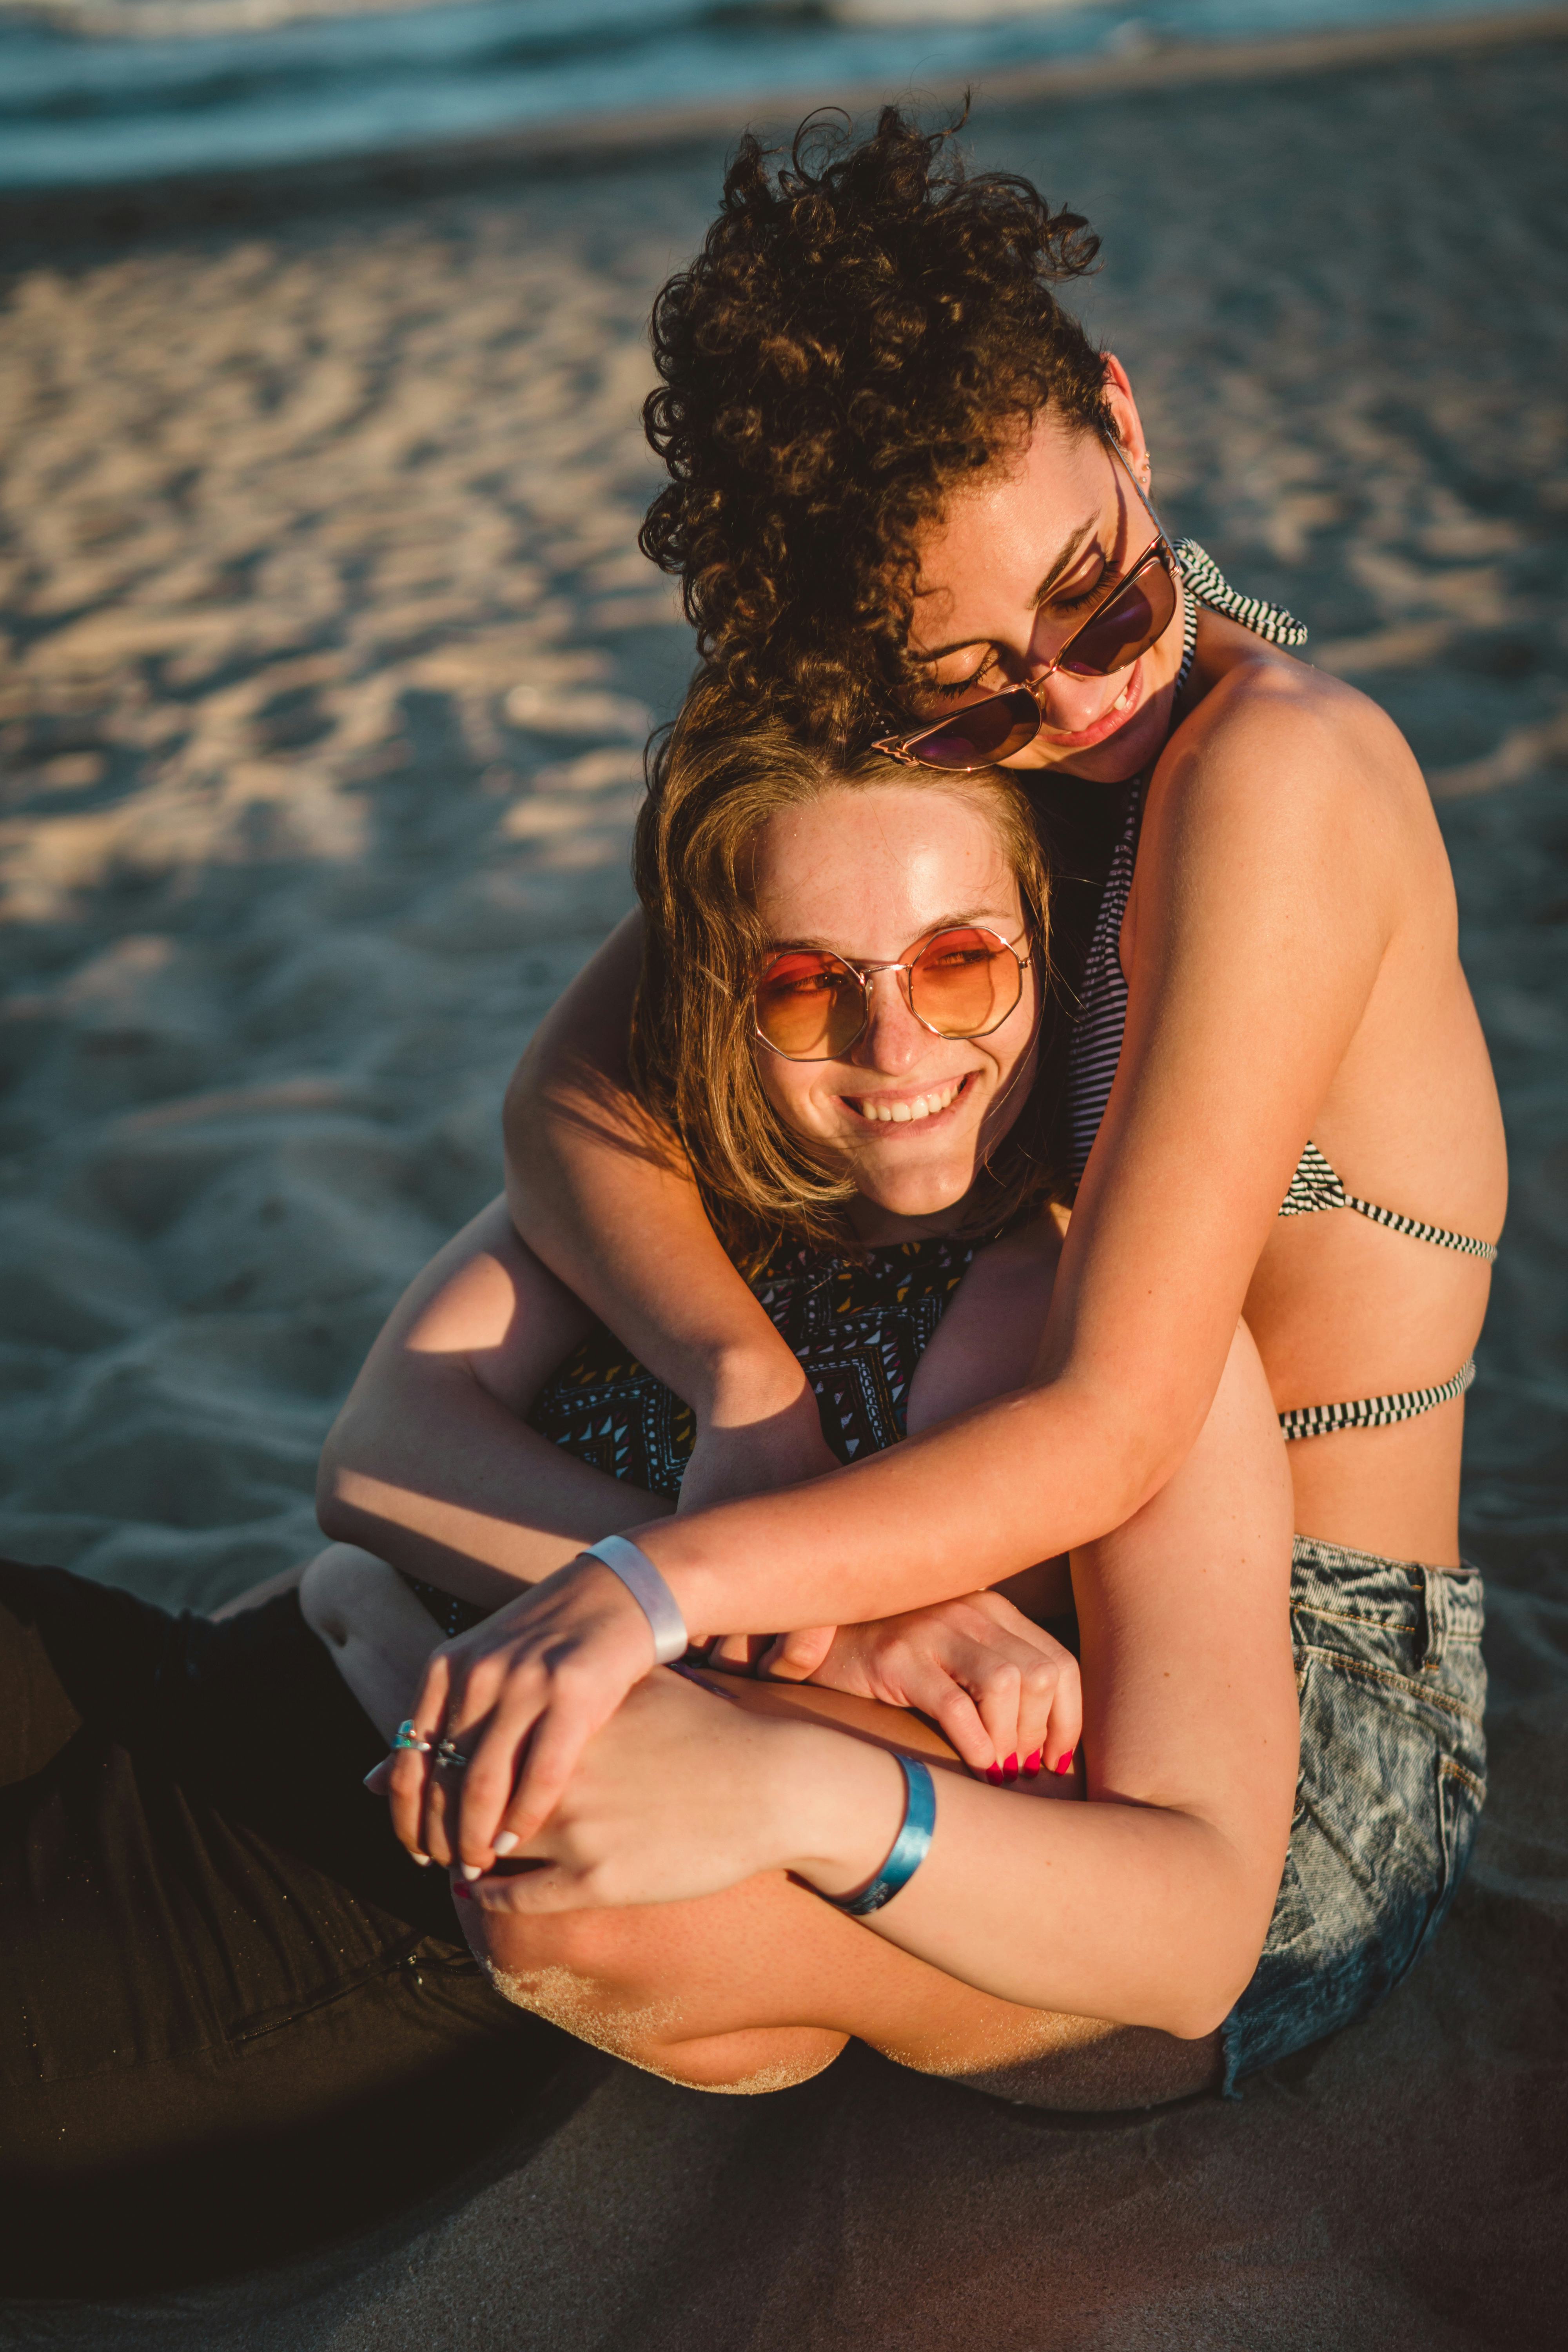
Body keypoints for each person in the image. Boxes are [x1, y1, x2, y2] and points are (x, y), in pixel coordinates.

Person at [374, 107, 1500, 2079]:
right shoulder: (976, 771)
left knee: (585, 1850)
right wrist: (747, 1396)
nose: (1071, 707)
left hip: (1270, 1737)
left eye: (1101, 599)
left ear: (1125, 420)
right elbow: (569, 1101)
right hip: (996, 1614)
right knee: (551, 1764)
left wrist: (671, 1574)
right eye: (971, 684)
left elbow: (1119, 1418)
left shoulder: (1277, 777)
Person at [319, 689, 1480, 2110]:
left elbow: (1195, 1927)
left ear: (1048, 955)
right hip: (375, 1736)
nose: (895, 1043)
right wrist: (819, 1595)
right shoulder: (689, 1194)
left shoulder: (1081, 1312)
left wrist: (750, 1701)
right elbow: (373, 1461)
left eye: (961, 964)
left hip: (1184, 1853)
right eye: (806, 982)